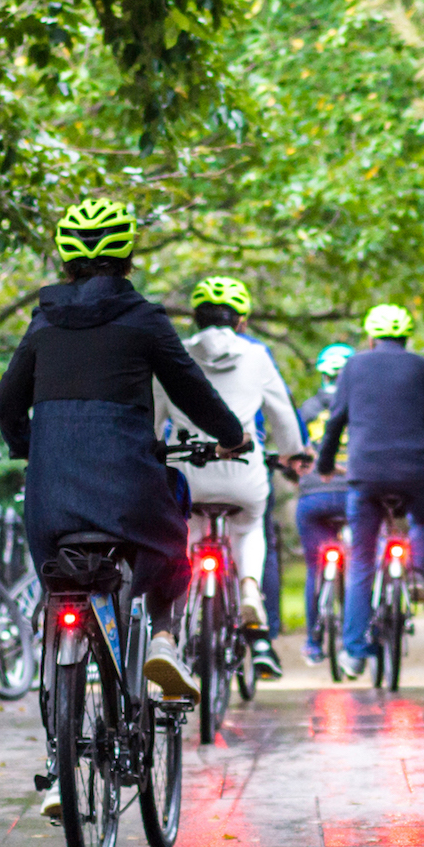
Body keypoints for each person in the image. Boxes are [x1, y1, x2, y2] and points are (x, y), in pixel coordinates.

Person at [0, 199, 246, 816]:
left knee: (59, 588)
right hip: (128, 488)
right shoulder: (143, 319)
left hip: (53, 496)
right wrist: (232, 433)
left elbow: (7, 401)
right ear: (129, 255)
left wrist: (36, 451)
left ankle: (60, 769)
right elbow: (191, 388)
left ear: (65, 259)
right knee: (171, 541)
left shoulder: (44, 320)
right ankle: (161, 637)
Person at [155, 275, 308, 680]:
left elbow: (153, 424)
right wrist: (293, 454)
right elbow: (283, 416)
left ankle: (183, 611)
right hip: (245, 473)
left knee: (186, 532)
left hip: (190, 473)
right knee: (250, 526)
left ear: (196, 319)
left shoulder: (176, 355)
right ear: (240, 321)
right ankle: (251, 588)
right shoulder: (257, 355)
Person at [316, 305, 424, 670]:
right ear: (405, 338)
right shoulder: (421, 367)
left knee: (360, 561)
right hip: (415, 473)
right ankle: (417, 569)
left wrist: (325, 464)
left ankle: (355, 653)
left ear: (371, 338)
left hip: (365, 475)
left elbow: (336, 421)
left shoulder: (353, 366)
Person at [294, 342, 353, 663]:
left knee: (315, 568)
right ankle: (354, 636)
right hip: (350, 494)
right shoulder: (360, 407)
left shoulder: (305, 410)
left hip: (312, 497)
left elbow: (295, 453)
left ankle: (313, 643)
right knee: (359, 565)